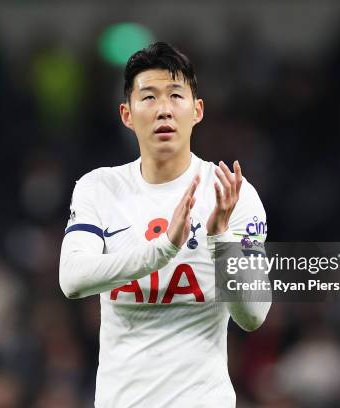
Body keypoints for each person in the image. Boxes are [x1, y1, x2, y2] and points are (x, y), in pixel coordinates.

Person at [59, 42, 271, 407]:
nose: (163, 110)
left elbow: (253, 315)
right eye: (149, 98)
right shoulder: (100, 188)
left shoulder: (232, 193)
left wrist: (220, 237)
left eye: (176, 95)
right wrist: (164, 249)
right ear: (127, 114)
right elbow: (72, 279)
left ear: (197, 111)